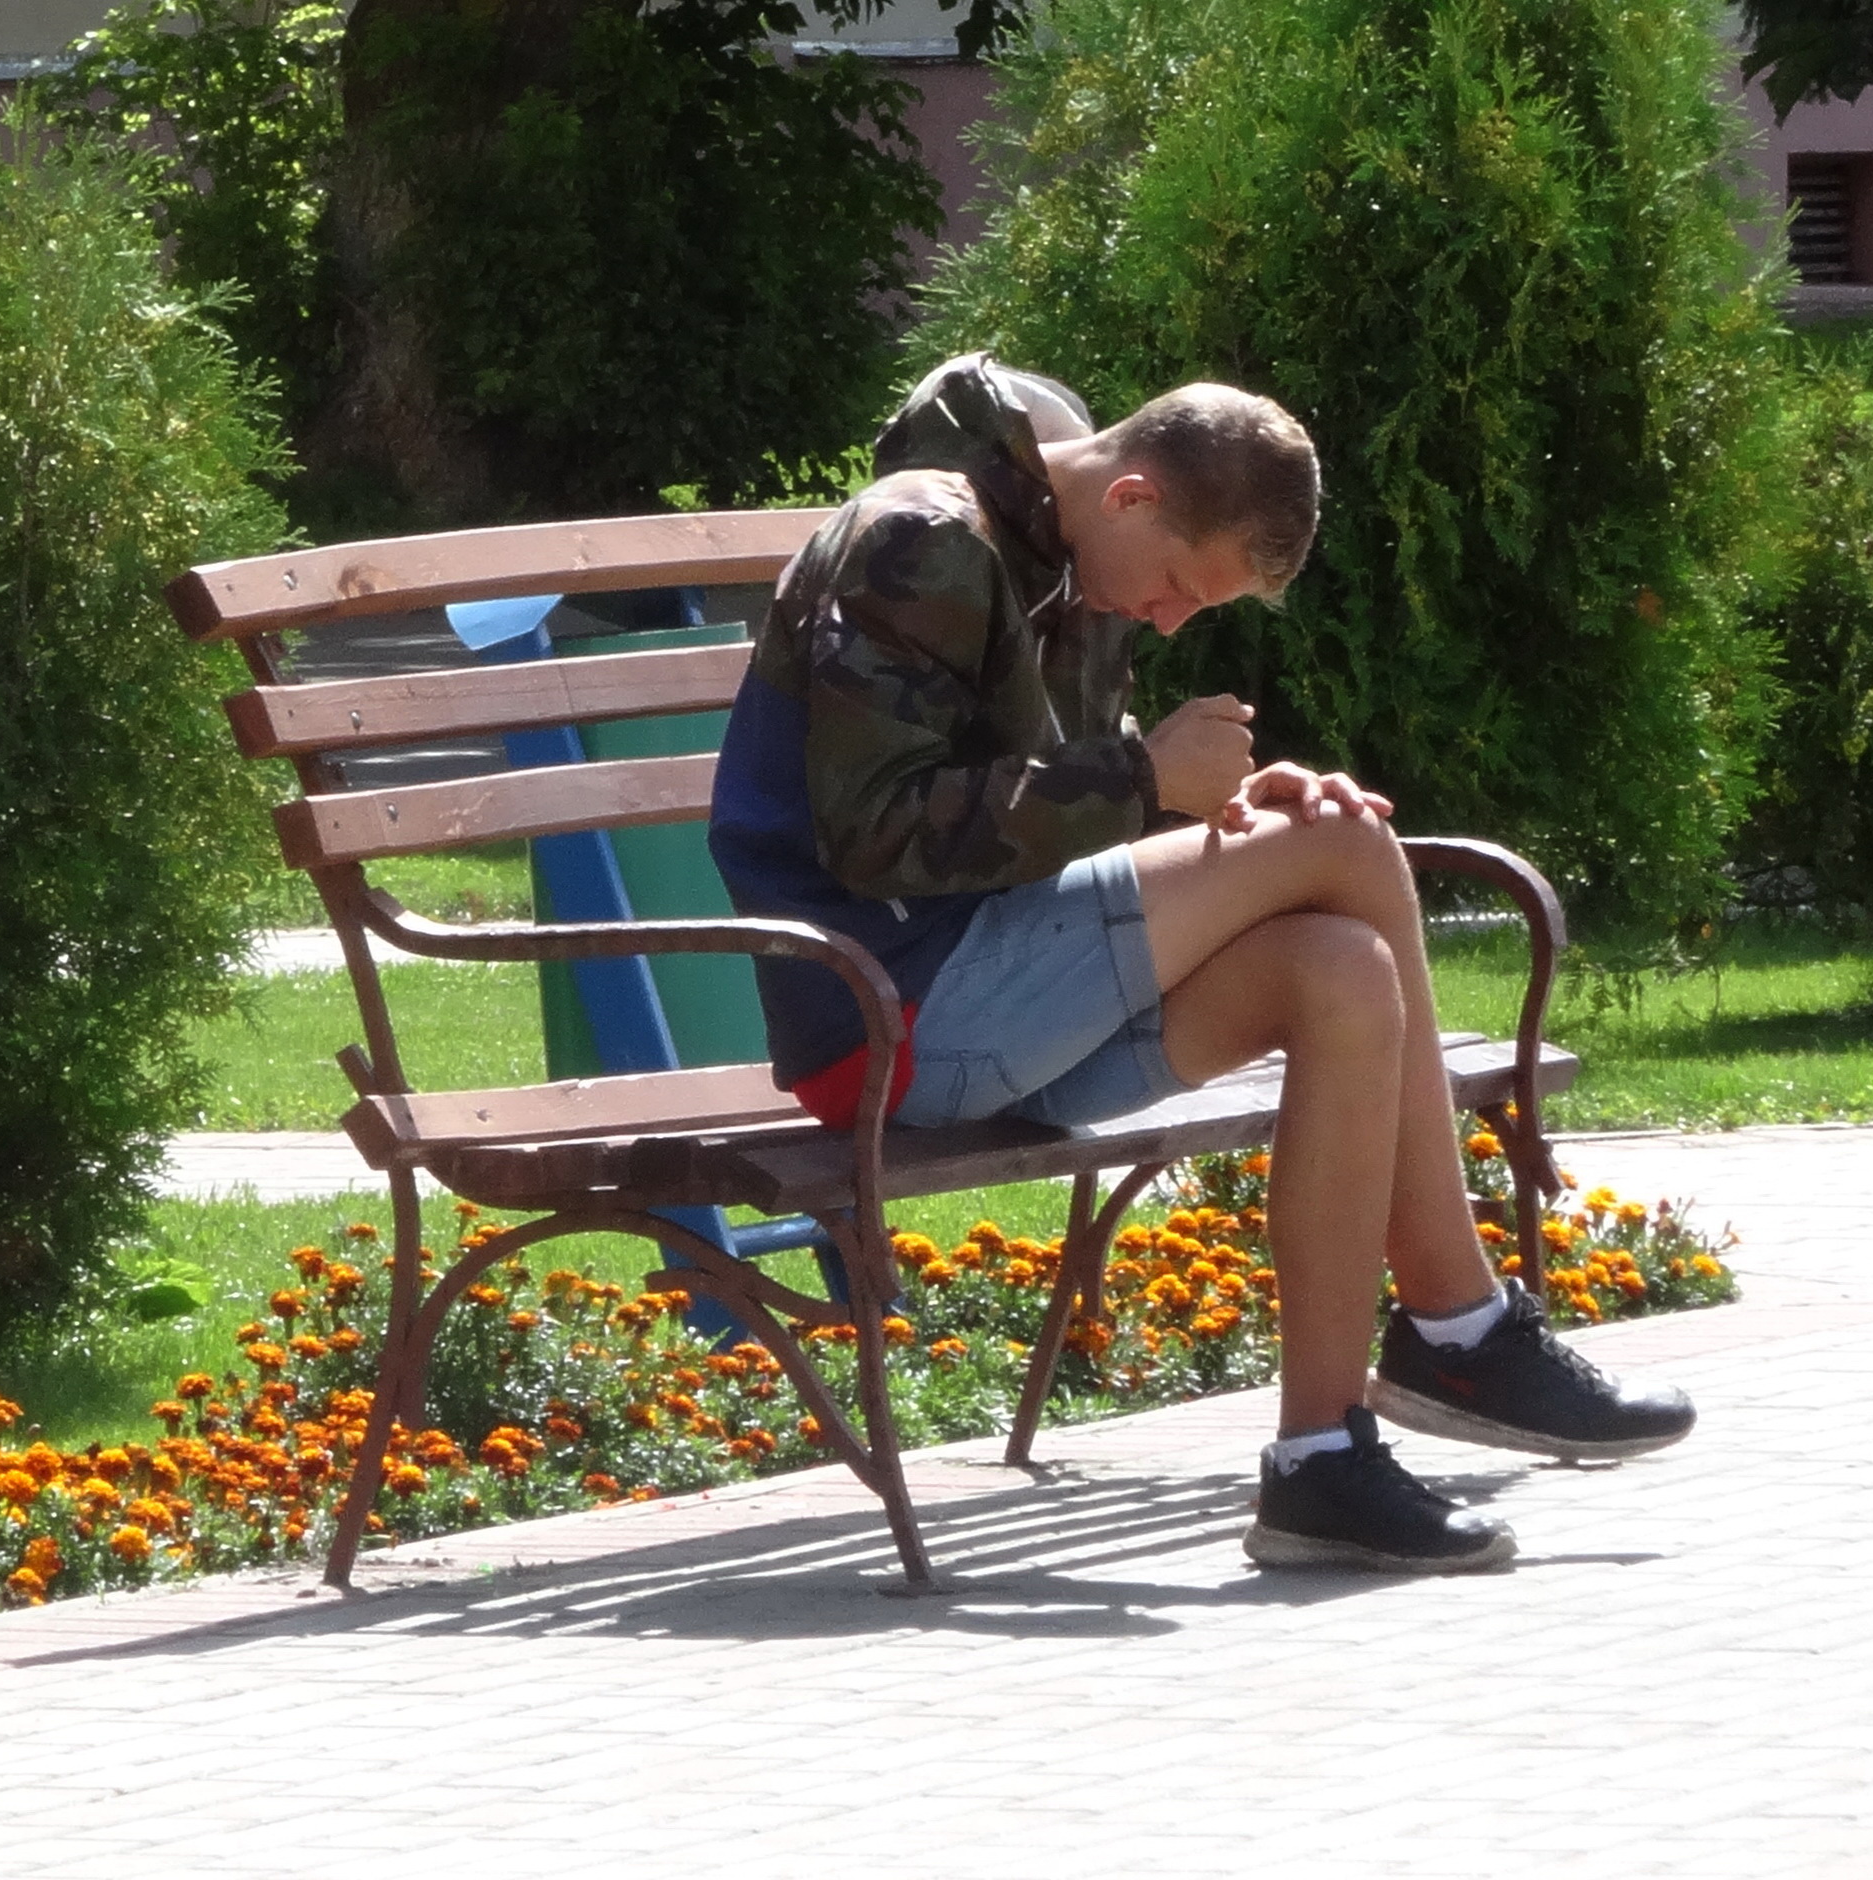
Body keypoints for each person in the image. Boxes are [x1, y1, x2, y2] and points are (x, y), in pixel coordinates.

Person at [709, 352, 1693, 1574]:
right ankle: (1460, 1324)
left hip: (997, 1006)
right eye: (1179, 584)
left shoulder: (1064, 559)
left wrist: (1222, 806)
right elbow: (873, 832)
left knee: (1339, 967)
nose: (1171, 618)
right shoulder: (920, 538)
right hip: (885, 1017)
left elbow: (1050, 806)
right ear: (1131, 495)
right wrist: (1145, 779)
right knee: (1348, 847)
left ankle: (1320, 1463)